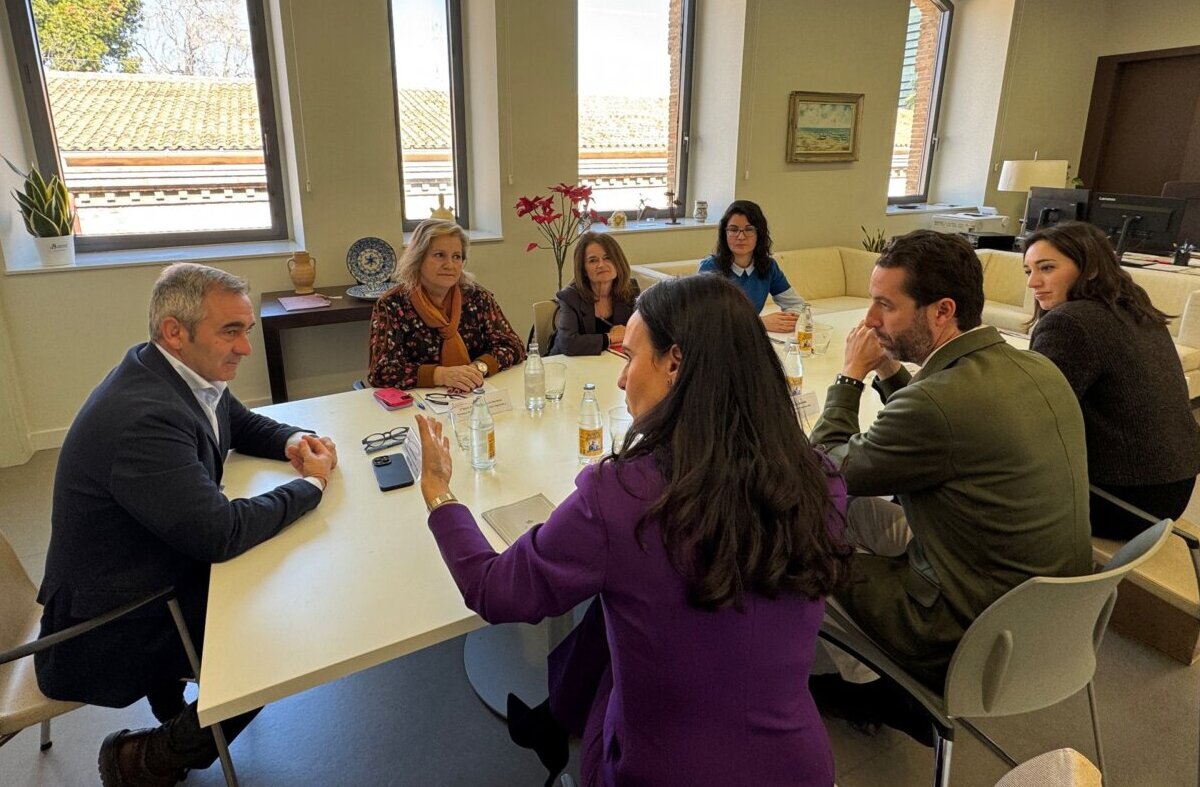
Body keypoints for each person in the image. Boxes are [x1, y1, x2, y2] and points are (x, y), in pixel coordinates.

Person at [416, 274, 851, 786]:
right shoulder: (820, 476)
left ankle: (557, 721)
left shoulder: (622, 498)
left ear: (675, 363)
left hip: (661, 770)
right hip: (800, 765)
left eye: (630, 358)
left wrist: (440, 495)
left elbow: (494, 590)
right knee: (623, 607)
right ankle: (555, 718)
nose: (621, 379)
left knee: (615, 615)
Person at [35, 263, 338, 787]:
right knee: (284, 643)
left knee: (272, 597)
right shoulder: (143, 417)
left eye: (245, 329)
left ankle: (172, 709)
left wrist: (293, 440)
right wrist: (311, 487)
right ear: (175, 331)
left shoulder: (169, 371)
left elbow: (237, 422)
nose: (245, 347)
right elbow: (219, 533)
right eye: (231, 331)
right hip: (112, 620)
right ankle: (149, 758)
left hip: (152, 569)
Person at [807, 230, 1092, 737]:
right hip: (1049, 621)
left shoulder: (938, 403)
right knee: (855, 514)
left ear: (941, 311)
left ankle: (875, 691)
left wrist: (850, 378)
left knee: (799, 547)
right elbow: (932, 429)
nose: (870, 320)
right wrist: (892, 371)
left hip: (961, 630)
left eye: (884, 305)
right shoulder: (1036, 366)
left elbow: (824, 469)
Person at [1024, 220, 1200, 539]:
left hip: (1124, 500)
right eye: (1029, 271)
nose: (1033, 283)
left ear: (1089, 269)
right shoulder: (1134, 305)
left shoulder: (1070, 322)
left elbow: (1035, 418)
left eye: (1046, 268)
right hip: (1175, 487)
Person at [367, 218, 525, 390]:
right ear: (418, 258)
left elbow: (513, 346)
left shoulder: (477, 297)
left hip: (474, 394)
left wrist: (478, 368)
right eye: (439, 255)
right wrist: (441, 375)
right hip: (419, 403)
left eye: (456, 257)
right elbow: (381, 371)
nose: (449, 265)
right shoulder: (392, 304)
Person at [698, 199, 807, 333]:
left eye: (749, 229)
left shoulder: (768, 266)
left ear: (759, 234)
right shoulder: (710, 268)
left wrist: (789, 319)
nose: (741, 236)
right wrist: (760, 323)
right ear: (724, 234)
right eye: (733, 229)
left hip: (751, 338)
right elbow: (706, 320)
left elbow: (797, 305)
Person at [548, 231, 640, 355]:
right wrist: (609, 337)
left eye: (607, 258)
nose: (601, 265)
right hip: (570, 367)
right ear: (584, 269)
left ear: (618, 262)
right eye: (593, 261)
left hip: (613, 364)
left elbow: (645, 332)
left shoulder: (631, 290)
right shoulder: (570, 297)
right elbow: (568, 343)